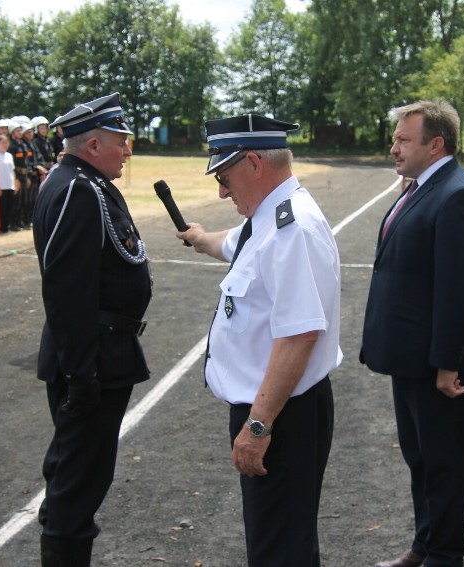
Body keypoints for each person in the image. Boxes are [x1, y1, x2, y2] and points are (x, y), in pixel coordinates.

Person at [177, 114, 341, 566]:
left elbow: (299, 335)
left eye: (225, 177)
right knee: (282, 542)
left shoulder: (291, 229)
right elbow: (233, 243)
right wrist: (199, 238)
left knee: (278, 551)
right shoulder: (267, 218)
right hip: (277, 412)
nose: (222, 191)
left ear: (253, 163)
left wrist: (257, 426)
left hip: (281, 417)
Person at [361, 100, 464, 567]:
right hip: (411, 355)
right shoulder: (419, 186)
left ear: (436, 144)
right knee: (421, 459)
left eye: (403, 139)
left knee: (445, 463)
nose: (393, 146)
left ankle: (445, 555)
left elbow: (460, 289)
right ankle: (425, 545)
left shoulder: (458, 195)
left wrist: (448, 363)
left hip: (437, 362)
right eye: (395, 138)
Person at [32, 93, 152, 566]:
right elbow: (67, 289)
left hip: (103, 352)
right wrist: (81, 374)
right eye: (122, 141)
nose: (127, 150)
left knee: (76, 473)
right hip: (93, 359)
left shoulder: (86, 182)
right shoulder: (78, 189)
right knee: (78, 483)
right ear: (95, 143)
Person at [0, 134, 18, 233]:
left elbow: (12, 170)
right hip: (1, 185)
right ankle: (1, 226)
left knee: (9, 206)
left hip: (9, 184)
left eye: (6, 143)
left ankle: (7, 225)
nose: (5, 145)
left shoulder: (9, 156)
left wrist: (14, 183)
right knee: (1, 208)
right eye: (2, 143)